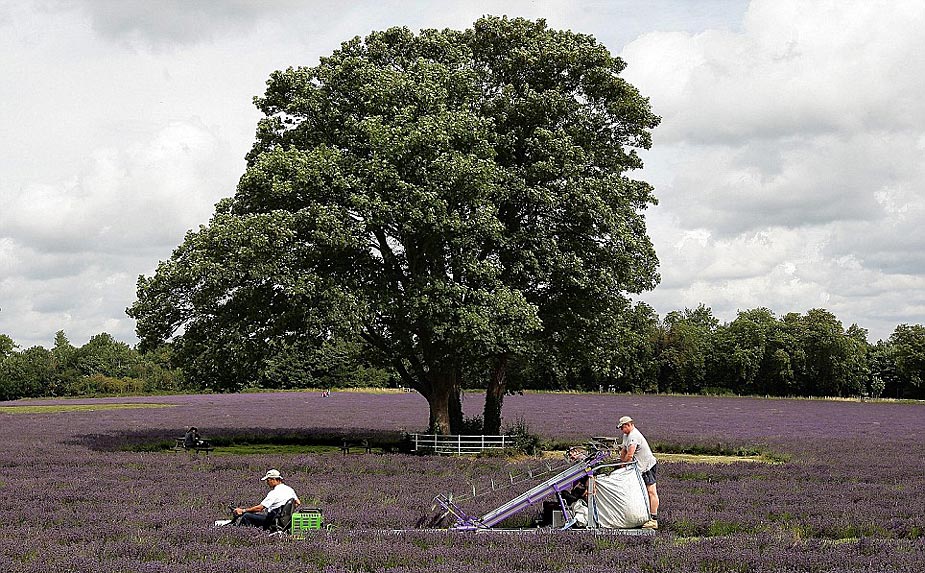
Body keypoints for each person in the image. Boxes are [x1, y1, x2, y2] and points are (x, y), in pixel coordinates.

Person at [617, 415, 660, 529]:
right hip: (639, 467)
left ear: (628, 425)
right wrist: (620, 464)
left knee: (651, 491)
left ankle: (653, 519)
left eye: (622, 428)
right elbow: (624, 450)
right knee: (642, 491)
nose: (622, 430)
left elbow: (630, 454)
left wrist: (624, 467)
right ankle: (643, 516)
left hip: (647, 467)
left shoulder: (634, 436)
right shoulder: (626, 435)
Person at [232, 469, 301, 529]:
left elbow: (259, 508)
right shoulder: (289, 489)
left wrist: (243, 510)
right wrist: (286, 512)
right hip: (286, 520)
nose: (267, 483)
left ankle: (244, 536)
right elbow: (298, 502)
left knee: (247, 516)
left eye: (268, 480)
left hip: (273, 521)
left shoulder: (274, 493)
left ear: (274, 479)